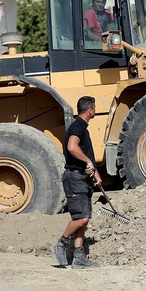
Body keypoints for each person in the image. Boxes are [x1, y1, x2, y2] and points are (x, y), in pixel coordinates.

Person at [52, 96, 103, 269]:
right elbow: (72, 148)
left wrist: (95, 173)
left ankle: (79, 258)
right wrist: (89, 162)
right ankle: (61, 244)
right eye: (94, 108)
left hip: (83, 177)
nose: (95, 110)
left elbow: (84, 156)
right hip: (75, 178)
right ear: (90, 109)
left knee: (85, 219)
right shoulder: (78, 127)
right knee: (81, 218)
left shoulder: (82, 128)